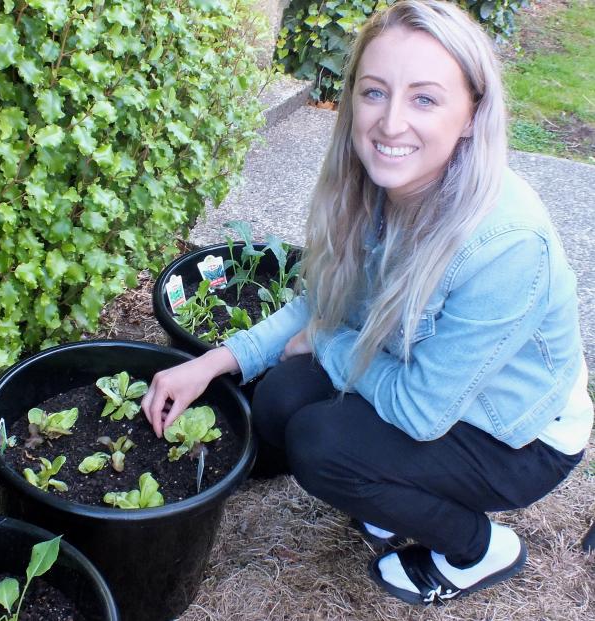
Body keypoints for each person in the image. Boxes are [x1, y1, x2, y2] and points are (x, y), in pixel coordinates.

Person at [141, 0, 593, 606]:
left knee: (322, 448)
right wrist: (212, 362)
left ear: (471, 115)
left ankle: (478, 549)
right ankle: (398, 493)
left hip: (515, 436)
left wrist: (328, 342)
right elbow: (322, 305)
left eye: (425, 99)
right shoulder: (381, 187)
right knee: (279, 397)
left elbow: (420, 410)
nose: (390, 122)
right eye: (375, 92)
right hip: (431, 381)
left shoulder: (505, 246)